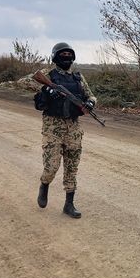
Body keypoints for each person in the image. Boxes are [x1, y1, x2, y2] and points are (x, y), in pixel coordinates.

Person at [34, 42, 97, 218]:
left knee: (72, 167)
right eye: (63, 54)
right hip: (52, 127)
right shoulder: (48, 74)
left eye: (69, 54)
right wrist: (47, 90)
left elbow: (90, 95)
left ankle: (69, 204)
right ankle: (44, 184)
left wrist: (91, 103)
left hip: (73, 127)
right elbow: (26, 82)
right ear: (55, 57)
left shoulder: (78, 77)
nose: (67, 57)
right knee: (52, 166)